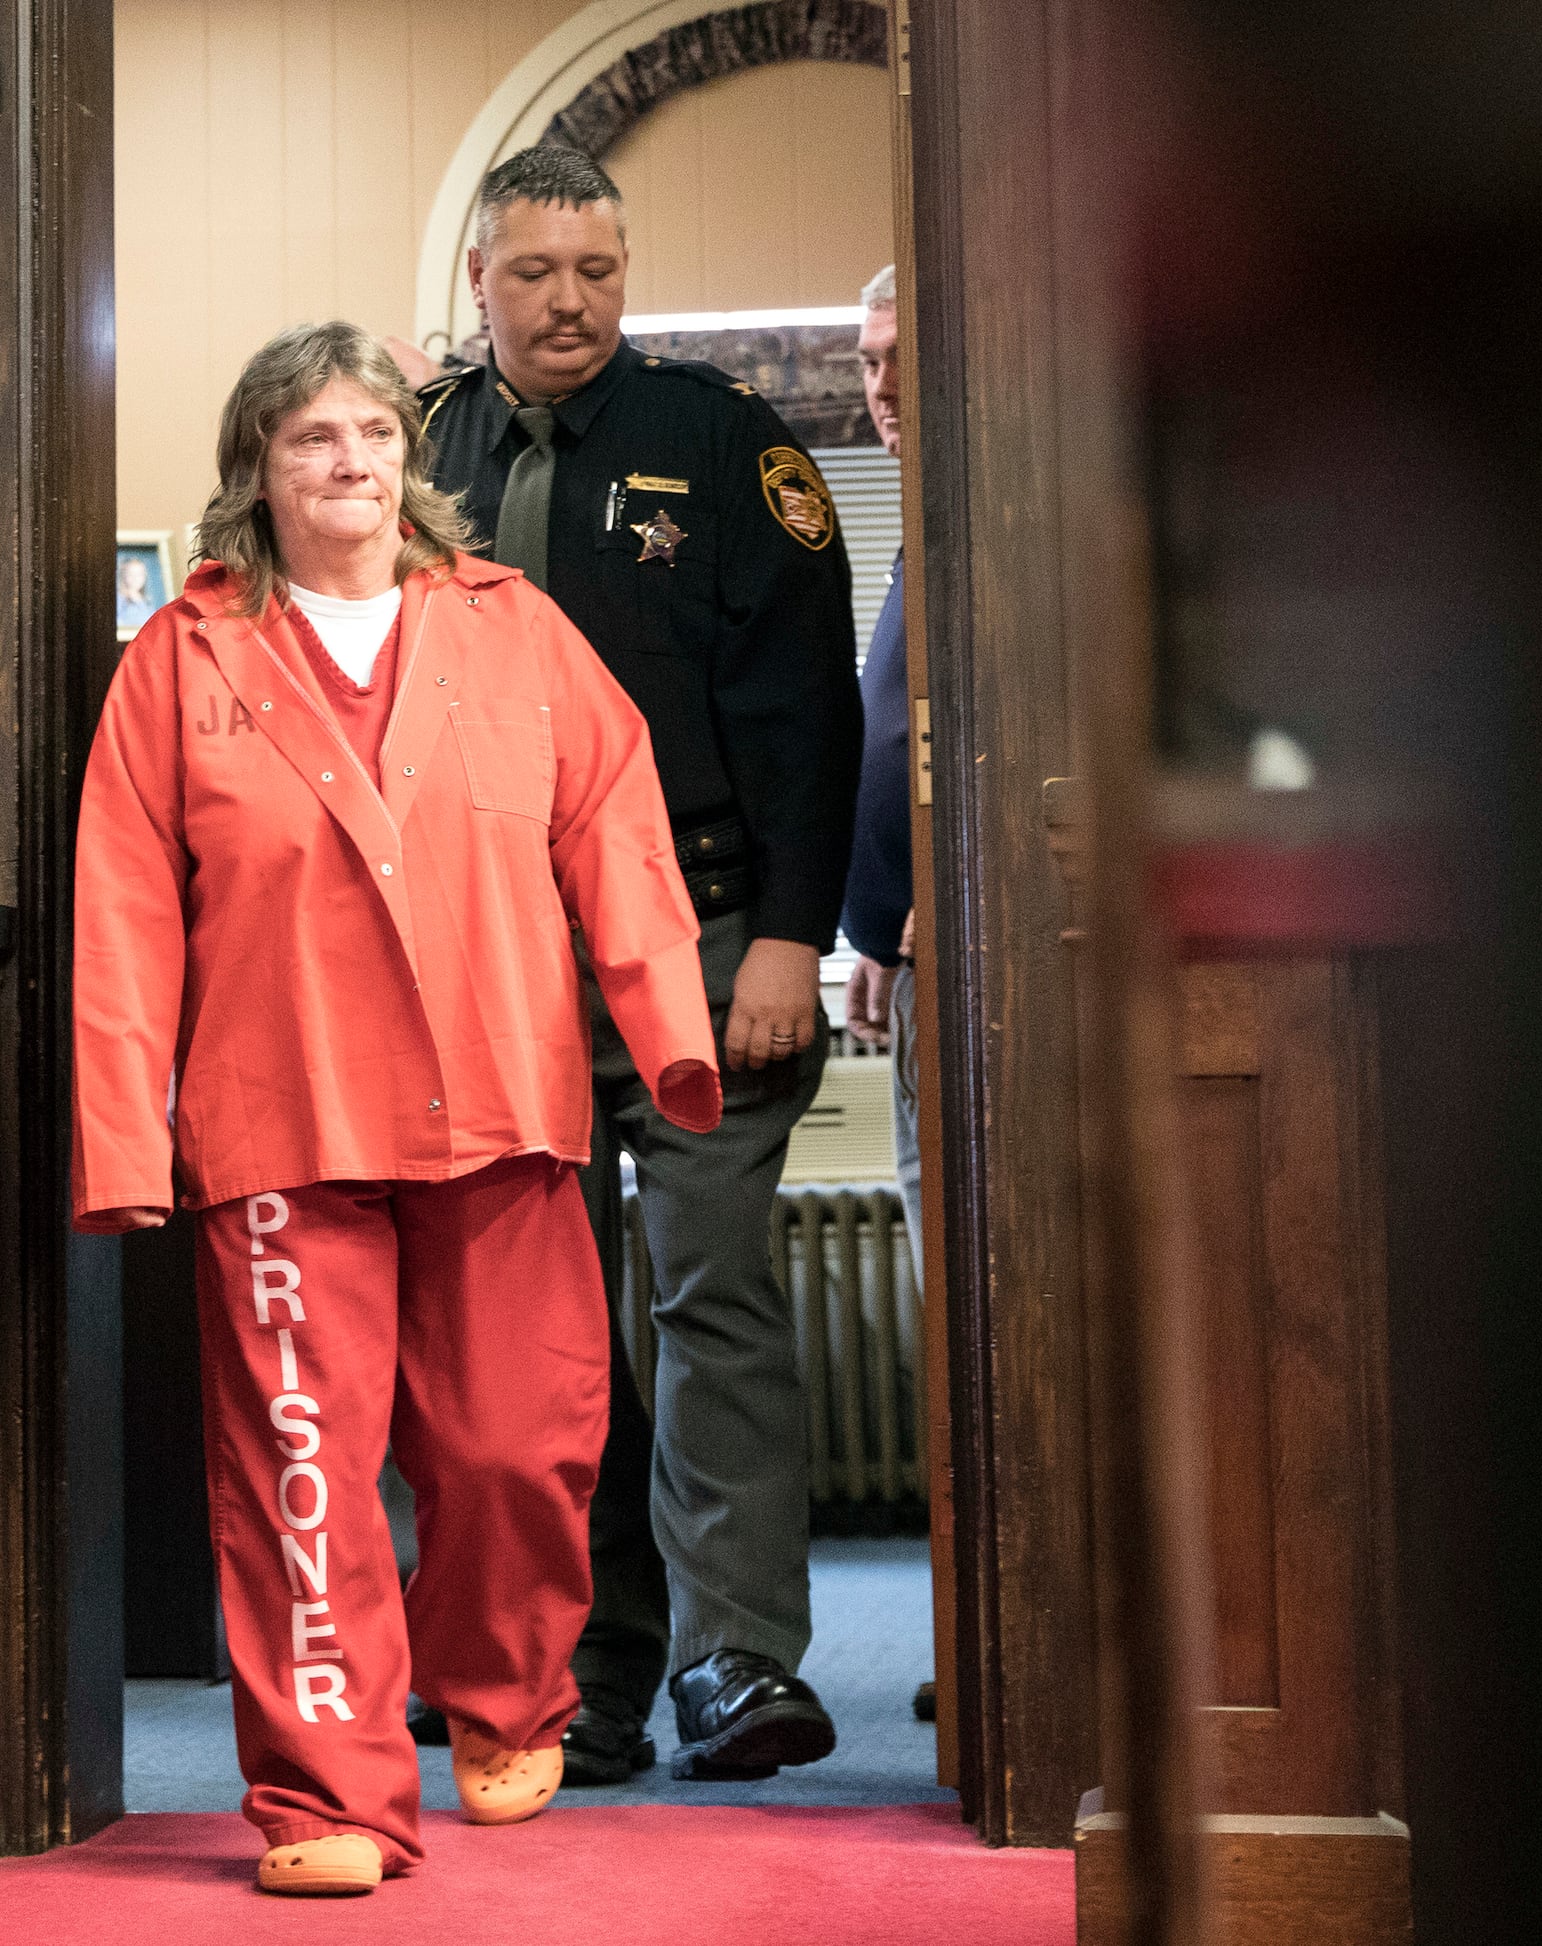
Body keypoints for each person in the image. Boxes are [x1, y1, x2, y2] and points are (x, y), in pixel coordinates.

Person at [71, 321, 720, 1895]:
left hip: (501, 1107)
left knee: (517, 1446)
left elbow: (618, 834)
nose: (347, 462)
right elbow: (123, 911)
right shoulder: (183, 660)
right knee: (306, 1469)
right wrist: (119, 1136)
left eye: (370, 433)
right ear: (259, 471)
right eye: (310, 439)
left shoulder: (516, 632)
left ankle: (506, 1695)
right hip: (280, 1120)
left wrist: (671, 1031)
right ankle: (325, 1794)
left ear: (407, 462)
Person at [417, 143, 863, 1784]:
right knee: (531, 1328)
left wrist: (792, 943)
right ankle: (573, 1667)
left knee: (711, 1291)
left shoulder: (724, 446)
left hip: (704, 934)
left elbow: (813, 716)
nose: (571, 301)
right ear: (481, 278)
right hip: (490, 959)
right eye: (537, 271)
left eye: (598, 270)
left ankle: (733, 1657)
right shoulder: (415, 457)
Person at [841, 266, 920, 1290]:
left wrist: (929, 907)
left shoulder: (992, 524)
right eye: (867, 362)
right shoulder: (917, 529)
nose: (883, 384)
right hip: (906, 952)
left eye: (904, 356)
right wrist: (876, 928)